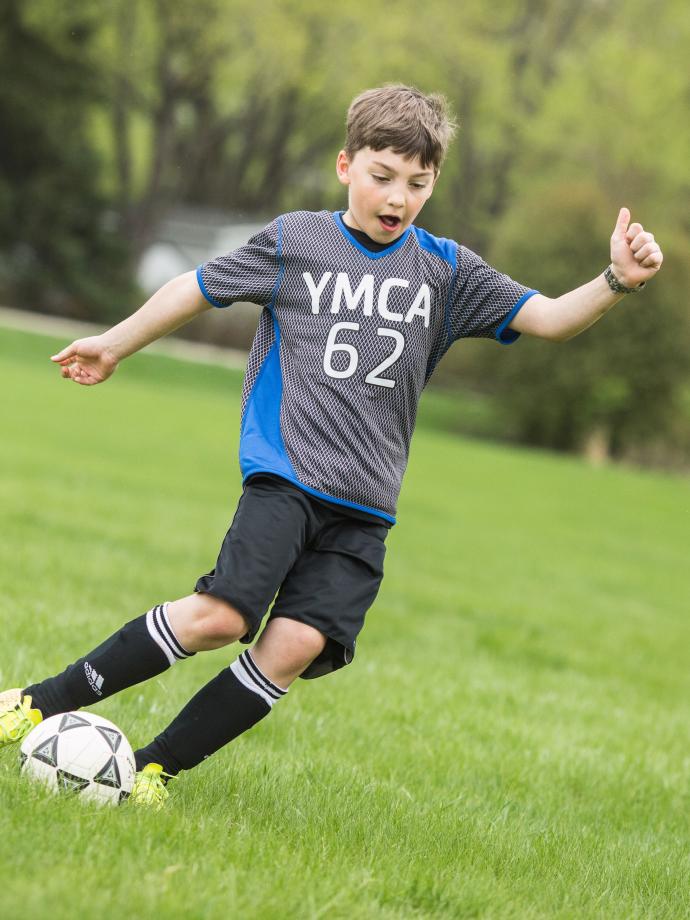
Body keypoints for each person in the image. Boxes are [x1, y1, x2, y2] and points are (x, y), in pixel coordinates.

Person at [0, 85, 663, 807]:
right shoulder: (297, 242)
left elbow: (554, 318)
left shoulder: (447, 272)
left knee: (295, 648)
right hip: (285, 478)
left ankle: (151, 771)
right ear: (346, 164)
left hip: (366, 508)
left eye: (418, 183)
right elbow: (195, 287)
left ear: (434, 182)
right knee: (223, 617)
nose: (398, 197)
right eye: (382, 176)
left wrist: (614, 282)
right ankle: (34, 702)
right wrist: (114, 345)